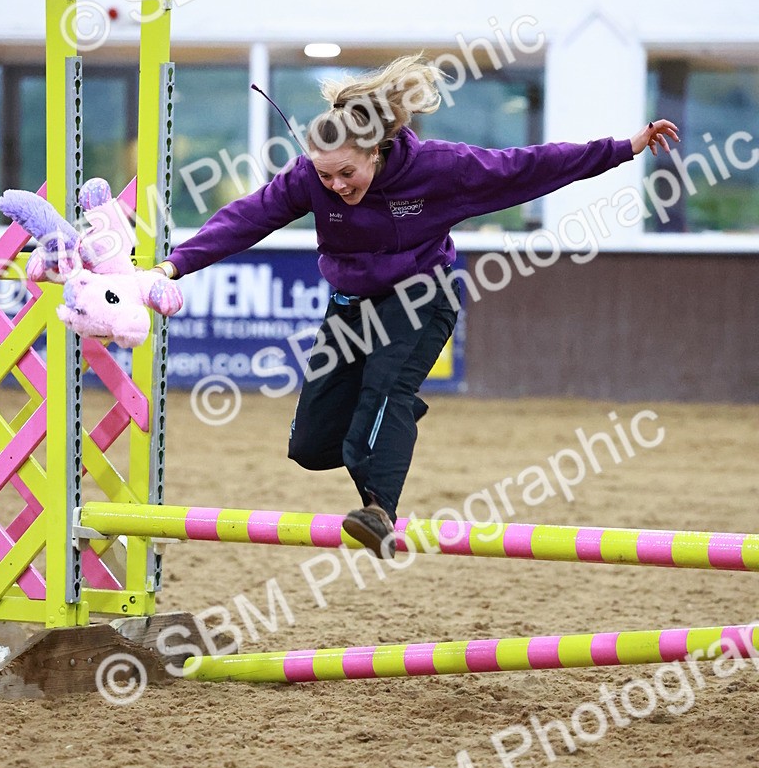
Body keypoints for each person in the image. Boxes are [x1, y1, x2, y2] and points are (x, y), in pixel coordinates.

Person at [154, 54, 679, 560]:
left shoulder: (440, 168)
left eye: (346, 174)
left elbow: (529, 168)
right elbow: (246, 218)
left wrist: (623, 148)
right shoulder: (309, 177)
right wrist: (172, 266)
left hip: (422, 297)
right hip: (350, 307)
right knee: (312, 447)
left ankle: (379, 512)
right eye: (326, 177)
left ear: (376, 151)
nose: (335, 188)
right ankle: (397, 411)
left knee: (381, 396)